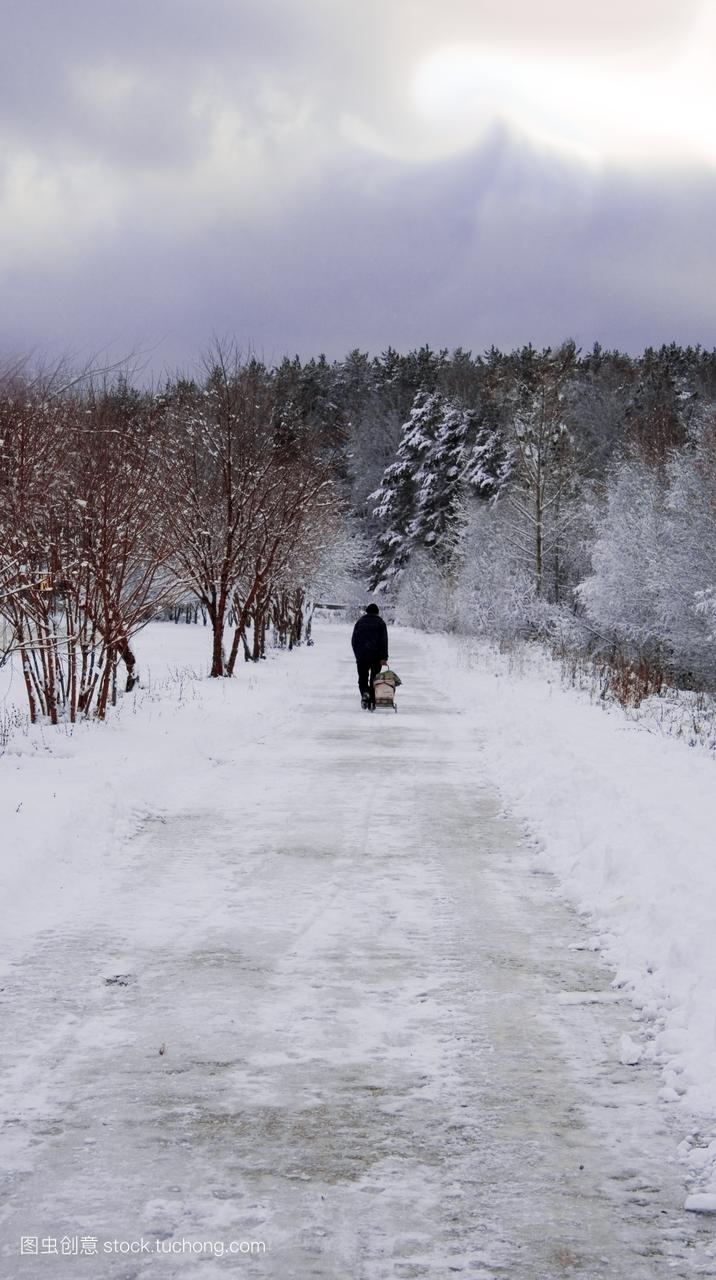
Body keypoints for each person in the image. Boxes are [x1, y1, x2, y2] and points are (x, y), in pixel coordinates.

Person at [351, 603, 389, 710]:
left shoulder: (360, 622)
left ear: (367, 611)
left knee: (362, 678)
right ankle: (372, 701)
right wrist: (384, 658)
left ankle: (365, 693)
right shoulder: (381, 623)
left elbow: (354, 640)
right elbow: (384, 641)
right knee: (374, 679)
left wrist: (357, 654)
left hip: (362, 656)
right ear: (377, 612)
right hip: (376, 657)